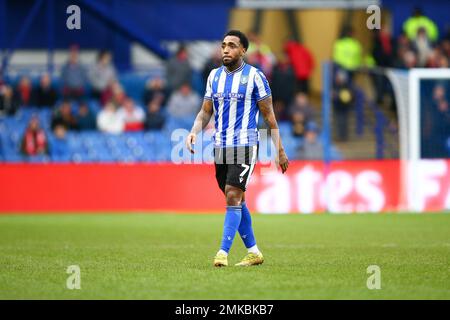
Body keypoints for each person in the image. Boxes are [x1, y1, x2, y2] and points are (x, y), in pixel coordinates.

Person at [185, 30, 289, 267]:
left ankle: (223, 252)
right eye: (223, 45)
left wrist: (279, 150)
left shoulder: (255, 77)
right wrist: (193, 131)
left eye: (232, 45)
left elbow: (269, 116)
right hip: (220, 146)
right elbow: (205, 110)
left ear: (243, 50)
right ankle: (254, 251)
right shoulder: (214, 76)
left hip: (245, 144)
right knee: (236, 200)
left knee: (233, 194)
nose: (225, 49)